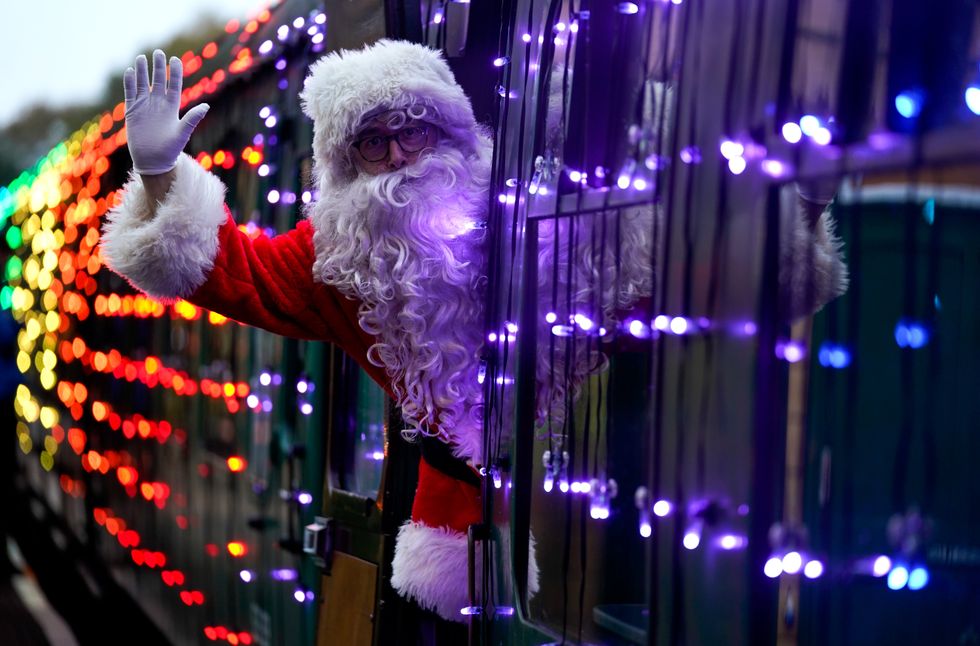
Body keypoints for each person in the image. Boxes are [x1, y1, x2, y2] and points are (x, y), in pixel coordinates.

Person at [101, 40, 846, 623]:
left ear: (453, 134)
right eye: (373, 143)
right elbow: (231, 270)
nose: (399, 156)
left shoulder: (546, 232)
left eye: (415, 131)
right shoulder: (334, 258)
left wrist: (800, 207)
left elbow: (701, 279)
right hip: (437, 541)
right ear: (346, 164)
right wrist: (162, 175)